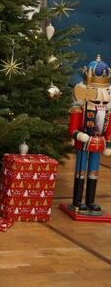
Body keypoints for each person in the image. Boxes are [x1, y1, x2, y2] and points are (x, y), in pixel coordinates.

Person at [67, 55, 111, 216]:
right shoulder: (79, 108)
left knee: (94, 172)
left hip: (98, 143)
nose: (101, 103)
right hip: (84, 142)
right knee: (81, 171)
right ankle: (77, 201)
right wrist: (79, 135)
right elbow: (72, 128)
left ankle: (90, 200)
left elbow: (109, 129)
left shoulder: (107, 110)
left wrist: (109, 144)